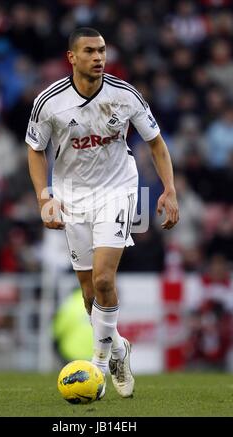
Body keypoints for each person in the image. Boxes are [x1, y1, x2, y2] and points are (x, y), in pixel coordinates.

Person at [26, 27, 179, 398]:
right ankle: (119, 348)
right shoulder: (49, 102)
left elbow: (156, 144)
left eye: (102, 51)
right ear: (72, 57)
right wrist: (44, 198)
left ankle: (96, 366)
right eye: (90, 51)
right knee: (89, 293)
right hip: (72, 197)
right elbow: (35, 150)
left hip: (117, 190)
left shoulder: (124, 96)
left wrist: (170, 191)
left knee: (105, 278)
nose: (98, 57)